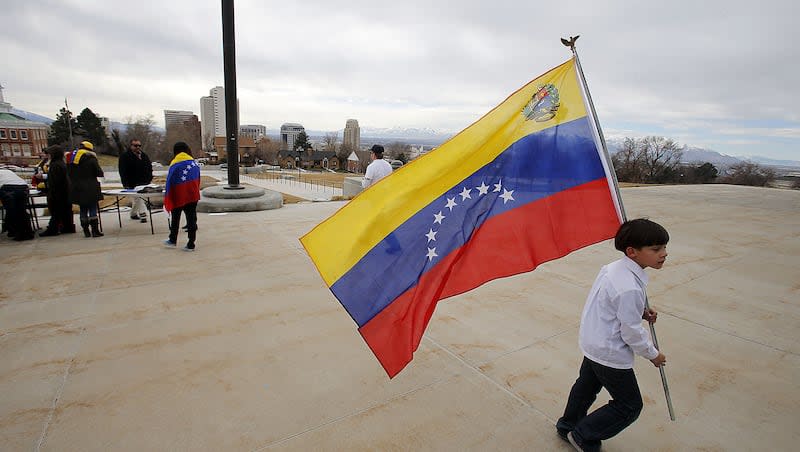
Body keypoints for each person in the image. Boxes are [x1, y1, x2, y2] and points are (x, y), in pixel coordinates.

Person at [556, 218, 669, 452]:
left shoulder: (613, 268)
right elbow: (631, 333)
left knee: (586, 387)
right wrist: (653, 354)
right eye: (656, 249)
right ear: (632, 251)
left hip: (593, 341)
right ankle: (583, 435)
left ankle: (567, 424)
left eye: (664, 247)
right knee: (629, 405)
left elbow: (610, 305)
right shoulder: (629, 286)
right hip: (610, 351)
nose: (664, 254)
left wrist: (640, 312)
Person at [163, 141, 200, 251]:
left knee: (175, 217)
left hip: (178, 194)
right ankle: (191, 243)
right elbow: (198, 179)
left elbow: (170, 180)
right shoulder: (194, 163)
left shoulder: (175, 164)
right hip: (193, 195)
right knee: (191, 219)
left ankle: (172, 239)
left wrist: (168, 194)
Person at [67, 141, 104, 238]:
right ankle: (95, 231)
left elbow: (69, 174)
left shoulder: (71, 160)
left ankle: (86, 231)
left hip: (77, 188)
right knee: (92, 208)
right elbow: (99, 172)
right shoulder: (91, 159)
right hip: (90, 187)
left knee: (83, 209)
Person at [39, 145, 75, 236]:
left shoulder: (55, 165)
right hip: (64, 191)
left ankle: (53, 229)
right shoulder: (60, 163)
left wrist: (49, 189)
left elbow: (55, 180)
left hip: (58, 192)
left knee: (56, 212)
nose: (48, 155)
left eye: (49, 153)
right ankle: (68, 227)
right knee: (65, 211)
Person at [118, 138, 153, 223]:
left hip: (144, 182)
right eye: (135, 145)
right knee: (138, 198)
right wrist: (125, 183)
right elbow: (122, 171)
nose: (137, 147)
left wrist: (149, 178)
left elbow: (149, 168)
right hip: (132, 182)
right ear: (131, 146)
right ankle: (143, 214)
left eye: (139, 145)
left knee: (138, 198)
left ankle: (133, 213)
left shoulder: (144, 156)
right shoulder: (124, 156)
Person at [0, 168, 35, 241]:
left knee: (13, 211)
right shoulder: (7, 171)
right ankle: (28, 233)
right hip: (23, 186)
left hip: (7, 188)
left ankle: (19, 234)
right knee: (21, 210)